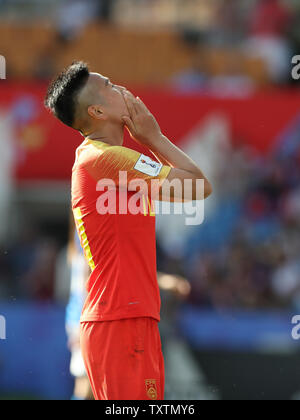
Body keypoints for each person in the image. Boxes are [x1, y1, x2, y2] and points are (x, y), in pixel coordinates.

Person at [44, 61, 212, 400]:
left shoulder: (110, 160)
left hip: (132, 316)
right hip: (120, 319)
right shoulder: (105, 160)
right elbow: (199, 186)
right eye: (108, 85)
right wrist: (155, 137)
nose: (119, 87)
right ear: (97, 110)